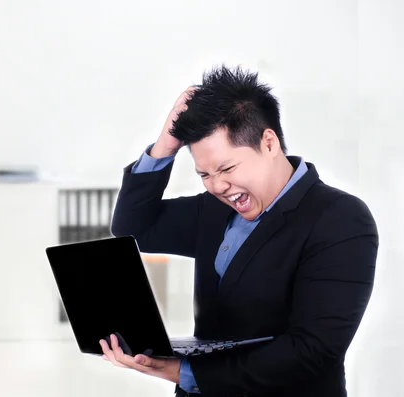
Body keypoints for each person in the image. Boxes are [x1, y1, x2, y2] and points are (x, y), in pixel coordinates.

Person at [99, 65, 379, 397]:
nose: (218, 185)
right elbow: (134, 228)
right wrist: (166, 145)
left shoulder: (340, 218)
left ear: (269, 143)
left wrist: (187, 372)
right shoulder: (214, 209)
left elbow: (313, 351)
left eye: (227, 168)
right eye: (204, 174)